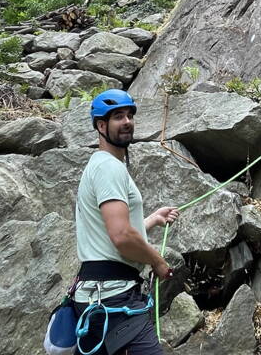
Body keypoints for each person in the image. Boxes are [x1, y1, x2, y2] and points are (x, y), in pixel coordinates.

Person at [73, 88, 179, 355]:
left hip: (93, 297)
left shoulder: (99, 166)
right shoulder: (109, 167)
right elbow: (120, 236)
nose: (127, 121)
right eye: (118, 116)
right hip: (114, 298)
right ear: (101, 125)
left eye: (130, 115)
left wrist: (152, 220)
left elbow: (108, 232)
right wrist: (157, 261)